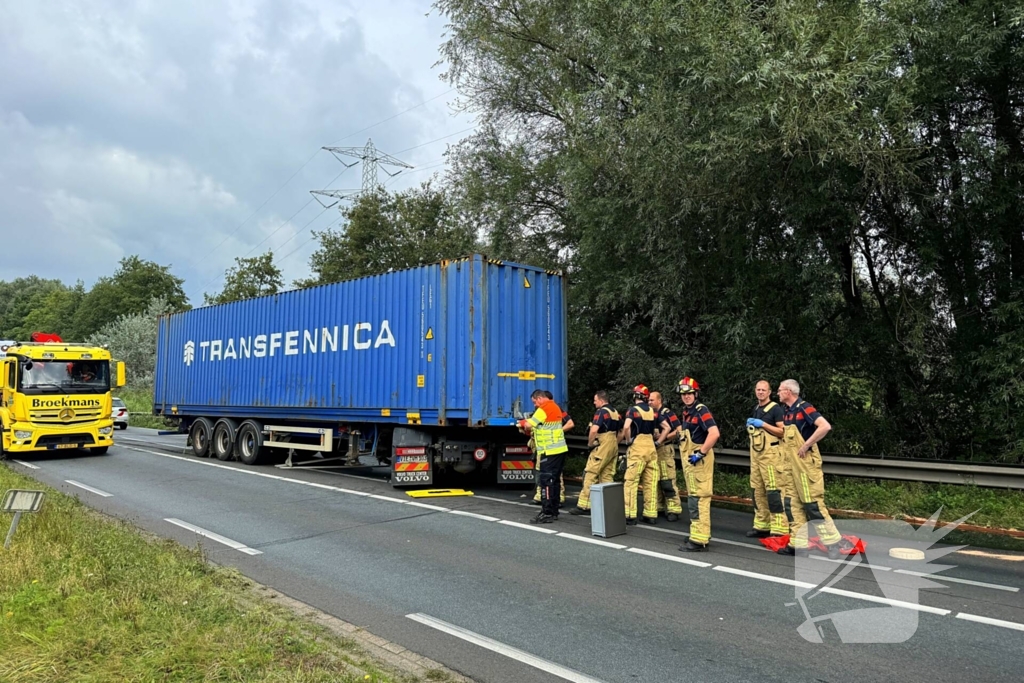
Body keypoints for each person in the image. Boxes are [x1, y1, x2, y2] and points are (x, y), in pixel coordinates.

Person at [775, 379, 847, 559]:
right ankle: (798, 545)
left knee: (812, 505)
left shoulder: (804, 408)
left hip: (805, 466)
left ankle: (832, 543)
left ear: (789, 391)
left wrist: (807, 445)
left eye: (780, 390)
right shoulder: (786, 411)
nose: (778, 393)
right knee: (791, 505)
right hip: (791, 466)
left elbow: (825, 426)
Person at [676, 377, 719, 552]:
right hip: (691, 465)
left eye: (689, 394)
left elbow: (714, 433)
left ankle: (699, 540)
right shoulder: (687, 412)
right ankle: (698, 533)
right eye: (683, 394)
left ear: (696, 394)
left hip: (699, 463)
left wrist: (701, 453)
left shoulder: (701, 411)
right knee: (694, 498)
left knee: (699, 499)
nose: (686, 397)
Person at [745, 380, 790, 538]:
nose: (760, 392)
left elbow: (782, 432)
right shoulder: (756, 408)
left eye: (763, 390)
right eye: (758, 390)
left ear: (769, 392)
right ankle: (762, 525)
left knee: (773, 491)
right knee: (757, 490)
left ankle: (779, 527)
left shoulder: (776, 409)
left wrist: (763, 424)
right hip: (757, 455)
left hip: (771, 457)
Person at [518, 389, 569, 524]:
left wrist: (521, 423)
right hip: (560, 449)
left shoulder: (543, 409)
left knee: (546, 481)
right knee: (555, 481)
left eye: (535, 402)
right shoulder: (555, 407)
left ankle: (546, 512)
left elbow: (529, 424)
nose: (535, 405)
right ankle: (554, 511)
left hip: (549, 451)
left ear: (540, 398)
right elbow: (544, 425)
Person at [570, 391, 621, 516]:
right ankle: (607, 505)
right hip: (613, 444)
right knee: (607, 476)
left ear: (601, 400)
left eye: (595, 400)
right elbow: (622, 431)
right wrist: (615, 442)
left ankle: (584, 505)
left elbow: (594, 430)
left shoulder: (601, 412)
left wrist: (590, 444)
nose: (594, 402)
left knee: (591, 473)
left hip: (602, 443)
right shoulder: (615, 412)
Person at [620, 384, 659, 526]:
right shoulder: (652, 411)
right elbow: (657, 430)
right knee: (650, 482)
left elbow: (626, 426)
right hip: (651, 446)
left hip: (638, 447)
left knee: (631, 481)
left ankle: (629, 515)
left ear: (634, 396)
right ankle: (650, 514)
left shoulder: (633, 410)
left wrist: (628, 440)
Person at [532, 391, 572, 507]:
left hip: (551, 447)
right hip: (544, 447)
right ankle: (541, 496)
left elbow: (570, 423)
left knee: (552, 475)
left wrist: (556, 432)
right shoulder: (542, 410)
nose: (535, 405)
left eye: (536, 402)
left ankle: (555, 500)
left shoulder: (555, 409)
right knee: (543, 473)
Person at [649, 391, 683, 522]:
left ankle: (673, 509)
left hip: (665, 449)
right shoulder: (650, 413)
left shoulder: (667, 413)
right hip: (653, 450)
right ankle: (659, 506)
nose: (649, 402)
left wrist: (664, 437)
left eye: (652, 400)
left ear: (659, 400)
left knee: (667, 479)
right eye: (648, 400)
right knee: (655, 479)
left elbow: (679, 429)